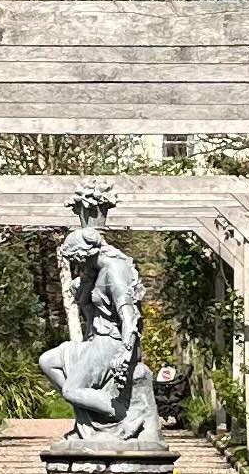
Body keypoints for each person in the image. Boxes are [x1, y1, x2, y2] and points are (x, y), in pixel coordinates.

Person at [37, 189, 162, 447]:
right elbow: (87, 304)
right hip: (96, 340)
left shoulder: (114, 271)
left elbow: (129, 315)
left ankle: (121, 411)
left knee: (72, 390)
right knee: (47, 361)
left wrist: (127, 351)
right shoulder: (95, 271)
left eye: (78, 260)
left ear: (87, 253)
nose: (77, 265)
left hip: (111, 343)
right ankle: (88, 418)